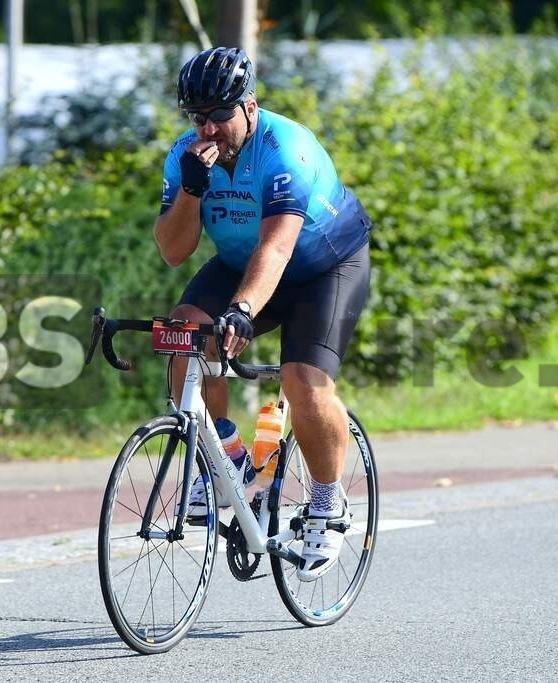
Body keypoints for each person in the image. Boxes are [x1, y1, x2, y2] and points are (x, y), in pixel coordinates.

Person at [154, 47, 374, 582]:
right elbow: (174, 250)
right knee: (186, 335)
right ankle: (226, 460)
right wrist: (190, 190)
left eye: (219, 115)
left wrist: (242, 311)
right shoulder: (187, 154)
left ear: (249, 106)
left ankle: (328, 502)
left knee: (303, 382)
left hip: (323, 265)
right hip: (240, 262)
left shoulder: (287, 149)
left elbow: (276, 249)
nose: (208, 129)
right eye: (197, 117)